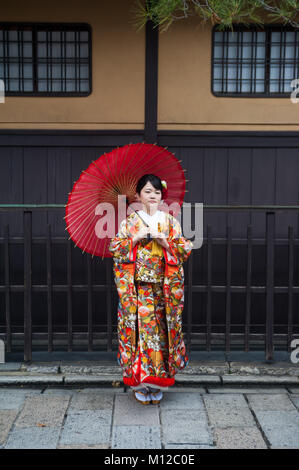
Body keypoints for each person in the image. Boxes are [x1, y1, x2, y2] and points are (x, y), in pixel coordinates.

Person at [108, 174, 193, 405]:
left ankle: (157, 382)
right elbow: (115, 247)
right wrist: (135, 238)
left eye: (156, 192)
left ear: (161, 195)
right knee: (142, 335)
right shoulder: (129, 222)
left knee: (162, 335)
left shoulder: (170, 221)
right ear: (137, 196)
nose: (152, 196)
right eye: (147, 191)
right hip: (138, 289)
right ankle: (140, 383)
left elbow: (184, 249)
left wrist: (165, 242)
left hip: (163, 289)